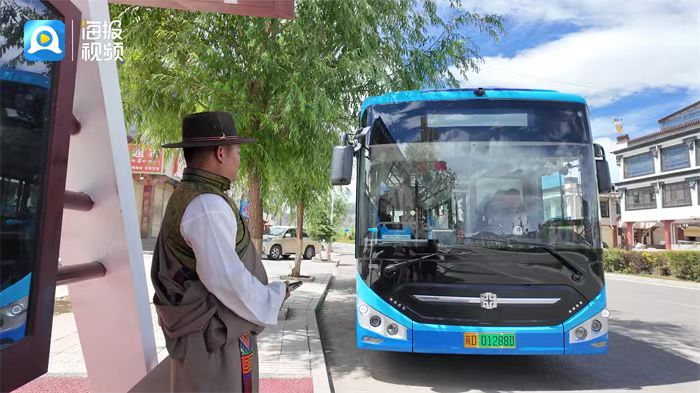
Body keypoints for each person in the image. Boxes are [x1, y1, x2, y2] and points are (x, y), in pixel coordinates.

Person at [152, 111, 289, 392]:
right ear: (220, 153)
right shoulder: (207, 206)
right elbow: (225, 279)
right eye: (237, 152)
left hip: (205, 334)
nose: (239, 159)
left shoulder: (190, 194)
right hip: (213, 338)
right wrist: (271, 296)